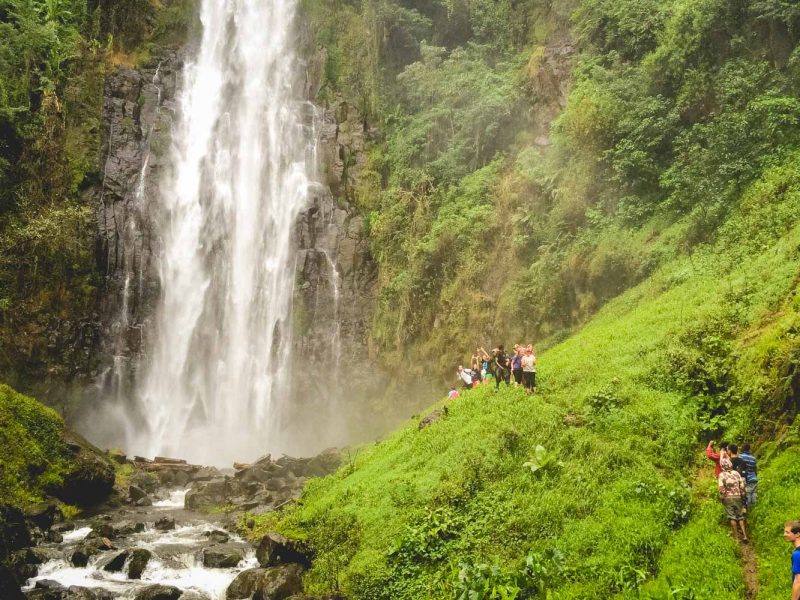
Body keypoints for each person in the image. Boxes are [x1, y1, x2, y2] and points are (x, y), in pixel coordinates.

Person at [718, 456, 749, 543]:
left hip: (728, 498)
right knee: (740, 516)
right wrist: (742, 495)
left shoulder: (722, 475)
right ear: (730, 465)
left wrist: (722, 497)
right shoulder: (736, 473)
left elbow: (721, 489)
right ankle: (745, 536)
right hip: (738, 496)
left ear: (722, 466)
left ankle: (736, 538)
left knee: (732, 517)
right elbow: (742, 486)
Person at [739, 443, 758, 507]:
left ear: (743, 449)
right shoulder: (753, 458)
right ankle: (755, 508)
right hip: (754, 478)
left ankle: (750, 510)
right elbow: (755, 469)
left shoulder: (740, 457)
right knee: (754, 494)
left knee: (748, 494)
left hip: (747, 478)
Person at [784, 520, 800, 600]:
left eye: (787, 532)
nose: (784, 535)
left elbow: (798, 582)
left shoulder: (797, 554)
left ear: (797, 534)